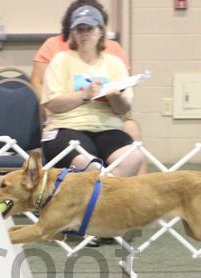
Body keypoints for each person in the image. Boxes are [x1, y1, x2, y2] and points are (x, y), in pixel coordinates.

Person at [31, 0, 145, 175]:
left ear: (100, 31)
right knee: (87, 163)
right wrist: (85, 94)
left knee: (134, 157)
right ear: (73, 34)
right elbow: (52, 103)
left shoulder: (114, 64)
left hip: (107, 128)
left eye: (89, 29)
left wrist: (115, 97)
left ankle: (102, 193)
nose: (84, 34)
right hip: (66, 128)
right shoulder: (61, 60)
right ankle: (104, 193)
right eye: (79, 29)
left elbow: (124, 108)